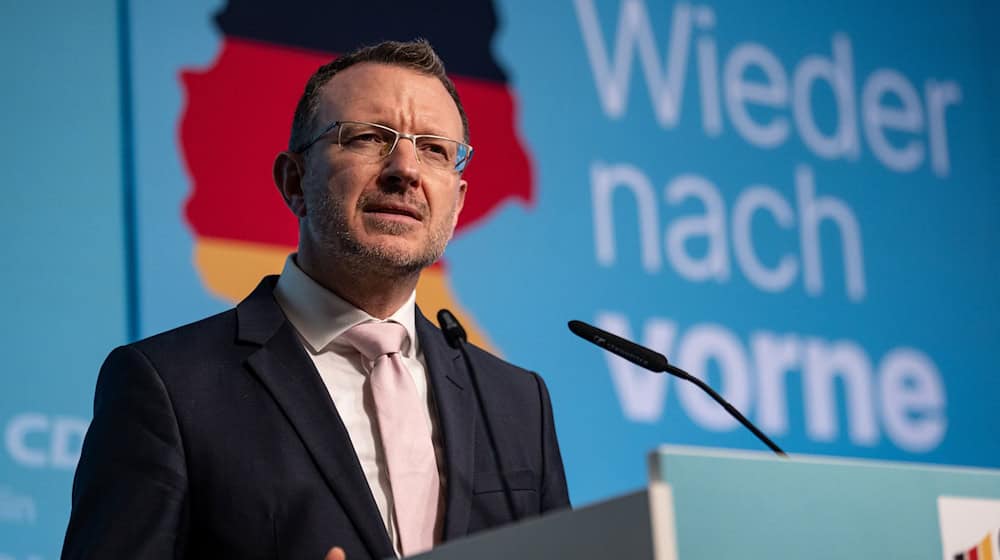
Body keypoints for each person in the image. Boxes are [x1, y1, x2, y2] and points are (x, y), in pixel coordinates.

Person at [62, 39, 570, 559]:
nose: (405, 170)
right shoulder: (168, 386)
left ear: (458, 201)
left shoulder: (517, 404)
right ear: (294, 180)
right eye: (369, 138)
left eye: (434, 149)